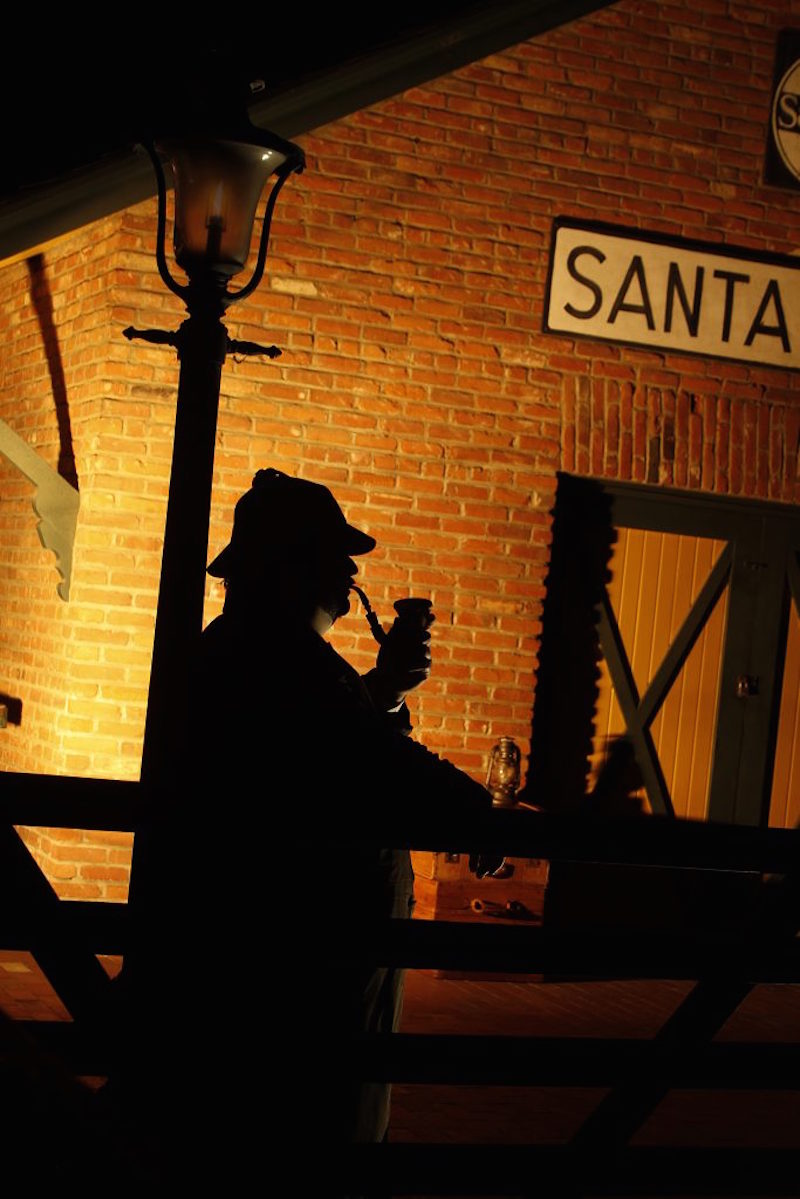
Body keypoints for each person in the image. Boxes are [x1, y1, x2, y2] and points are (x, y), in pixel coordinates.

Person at [187, 467, 496, 1164]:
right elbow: (358, 757)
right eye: (334, 554)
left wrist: (383, 685)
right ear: (295, 564)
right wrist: (474, 810)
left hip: (295, 979)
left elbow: (328, 735)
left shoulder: (254, 649)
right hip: (297, 993)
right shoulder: (275, 657)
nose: (348, 570)